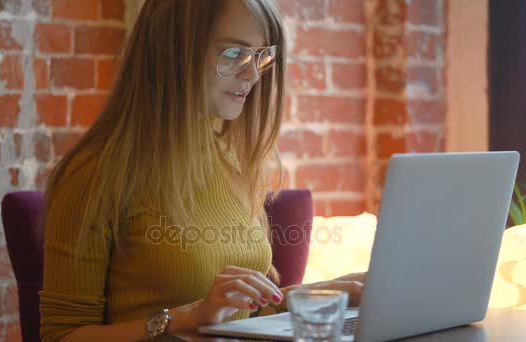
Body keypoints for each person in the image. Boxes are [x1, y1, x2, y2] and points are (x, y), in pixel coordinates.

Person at [38, 0, 365, 341]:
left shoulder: (228, 157)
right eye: (234, 54)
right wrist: (179, 320)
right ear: (172, 52)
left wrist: (319, 294)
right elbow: (61, 336)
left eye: (260, 56)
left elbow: (241, 314)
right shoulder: (94, 173)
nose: (252, 74)